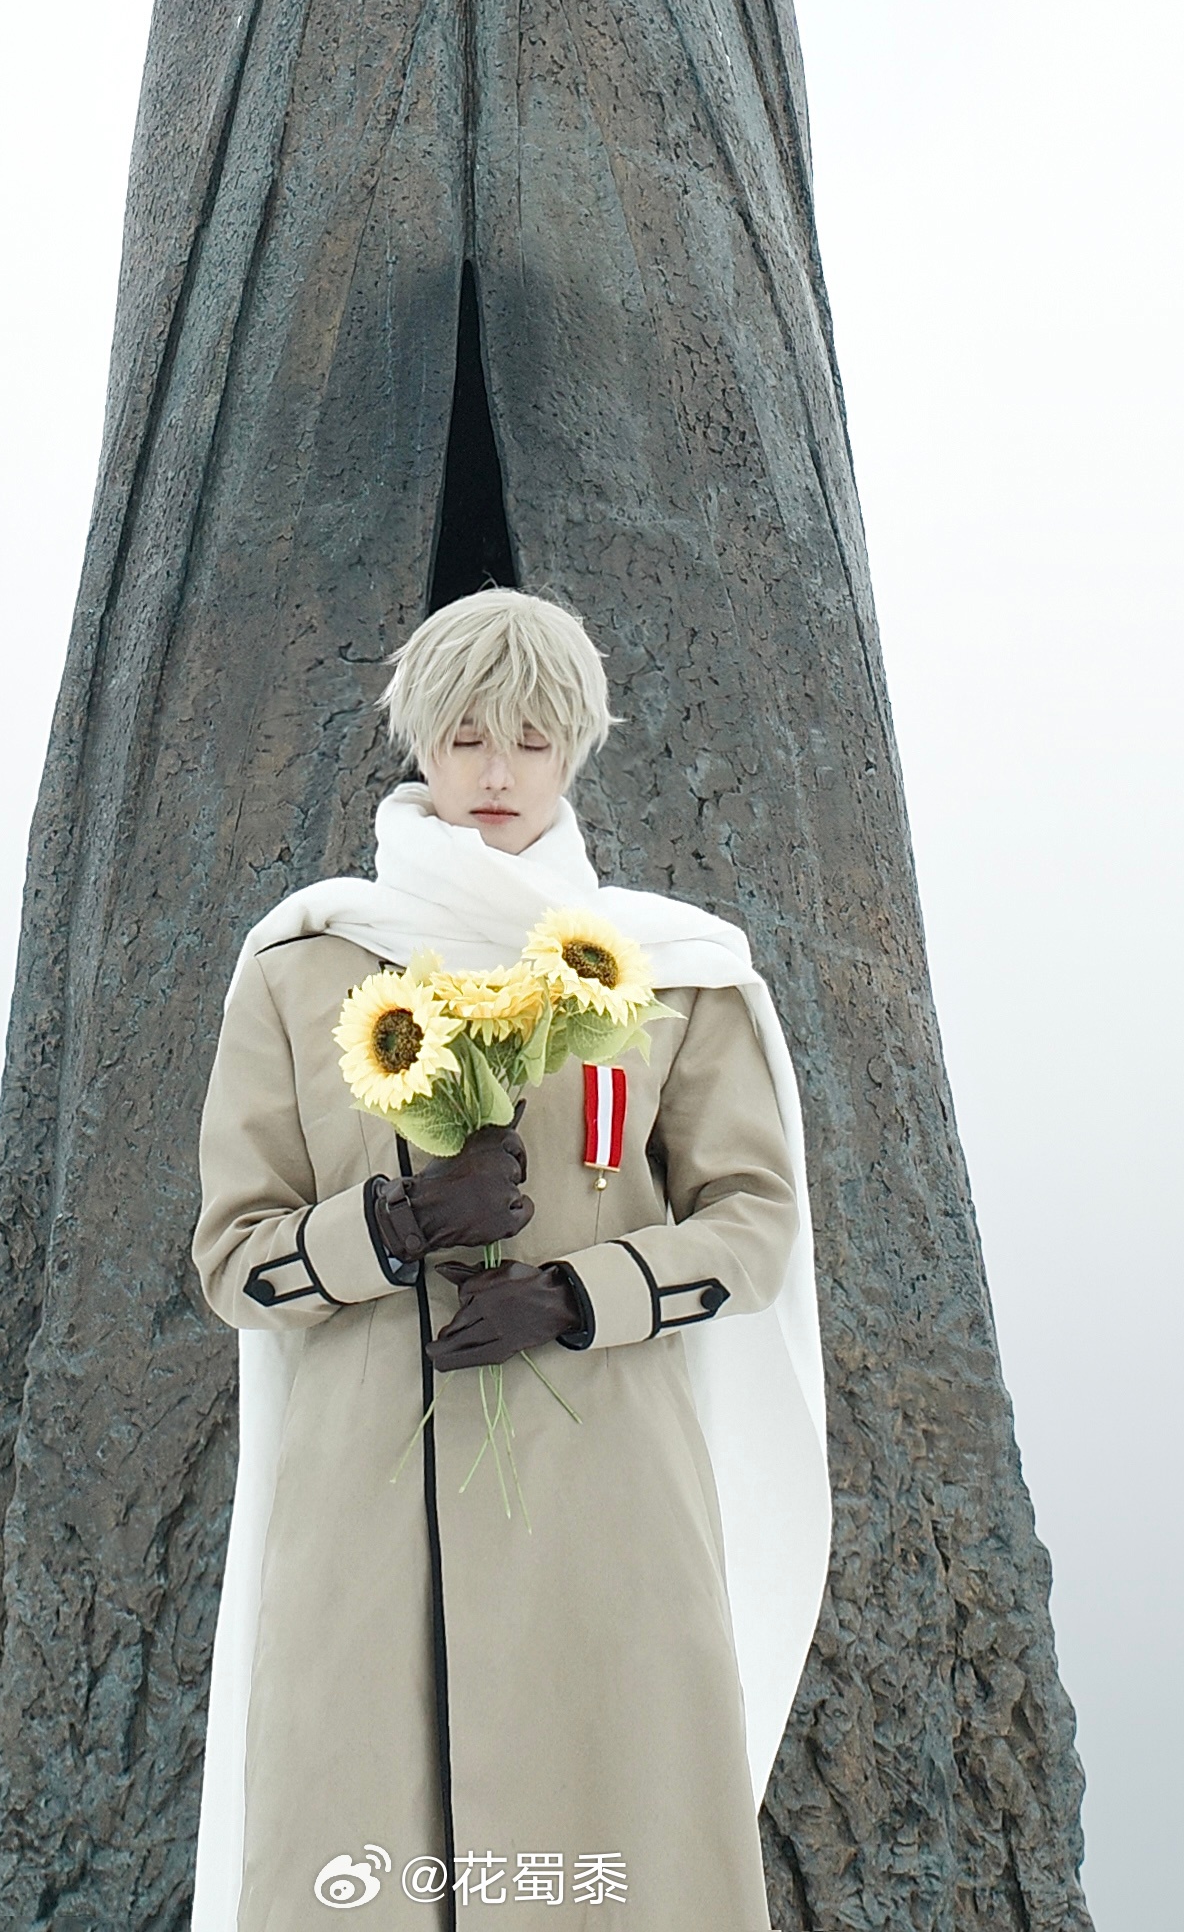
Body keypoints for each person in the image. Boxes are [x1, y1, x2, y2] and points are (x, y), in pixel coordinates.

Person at [190, 589, 829, 1932]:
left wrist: (578, 1294)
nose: (496, 773)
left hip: (609, 1490)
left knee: (619, 1862)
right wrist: (392, 1227)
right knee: (359, 1853)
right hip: (368, 1497)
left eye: (532, 740)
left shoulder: (672, 970)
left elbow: (754, 1222)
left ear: (576, 747)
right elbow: (235, 1258)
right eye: (467, 735)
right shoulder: (304, 966)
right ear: (419, 738)